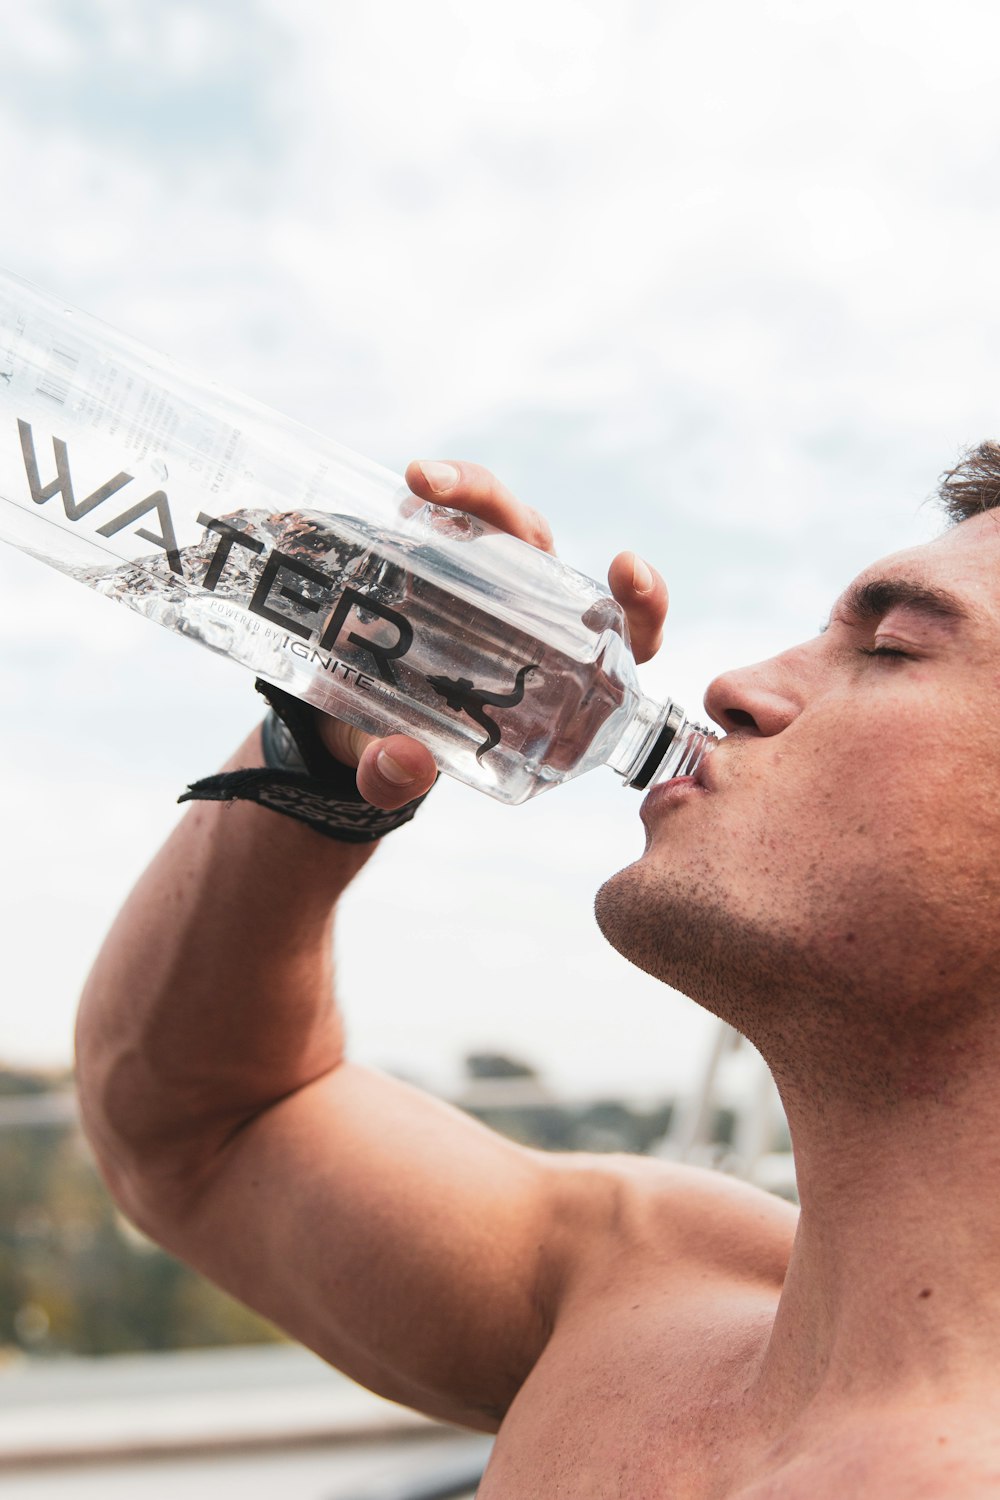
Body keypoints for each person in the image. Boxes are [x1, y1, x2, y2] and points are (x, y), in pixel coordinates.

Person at [74, 450, 1000, 1496]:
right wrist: (326, 745)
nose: (731, 689)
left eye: (892, 648)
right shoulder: (647, 1289)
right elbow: (204, 1128)